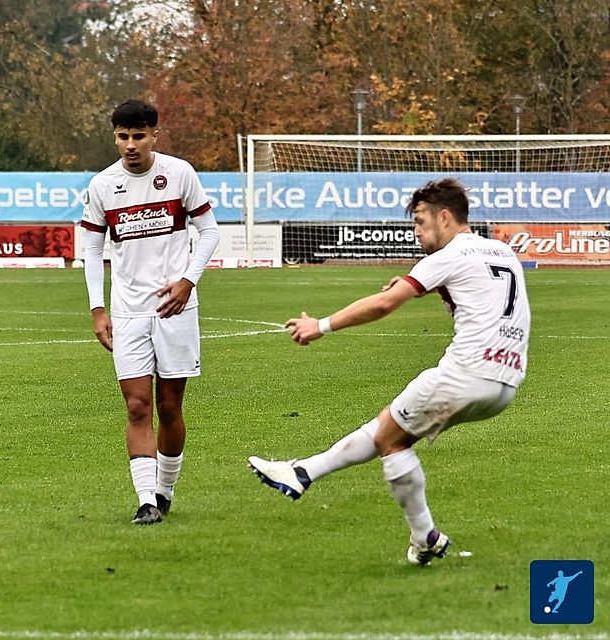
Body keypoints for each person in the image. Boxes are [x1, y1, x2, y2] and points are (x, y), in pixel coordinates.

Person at [248, 178, 531, 565]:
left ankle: (421, 533)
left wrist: (322, 325)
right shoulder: (501, 250)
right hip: (506, 382)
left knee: (391, 441)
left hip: (465, 372)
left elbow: (384, 304)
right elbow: (478, 289)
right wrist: (425, 282)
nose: (416, 232)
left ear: (444, 217)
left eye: (420, 221)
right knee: (390, 430)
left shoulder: (445, 257)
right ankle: (303, 473)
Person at [81, 99, 220, 525]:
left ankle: (165, 490)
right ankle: (145, 500)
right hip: (127, 313)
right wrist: (97, 308)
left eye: (138, 136)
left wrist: (187, 281)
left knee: (170, 406)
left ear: (154, 135)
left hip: (175, 310)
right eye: (122, 136)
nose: (130, 145)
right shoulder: (103, 185)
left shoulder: (180, 174)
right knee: (138, 405)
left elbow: (209, 231)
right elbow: (90, 249)